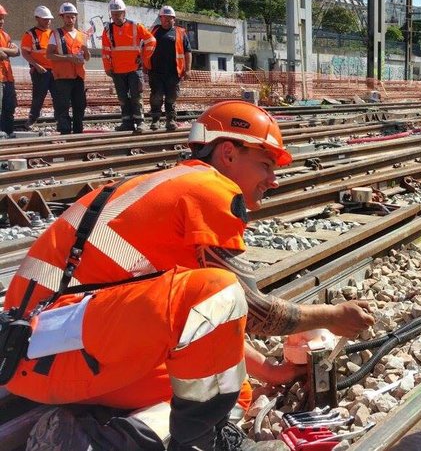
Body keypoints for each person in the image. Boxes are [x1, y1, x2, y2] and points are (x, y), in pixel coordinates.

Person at [4, 101, 375, 450]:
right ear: (228, 153)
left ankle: (137, 429)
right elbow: (251, 310)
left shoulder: (169, 187)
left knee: (230, 387)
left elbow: (200, 319)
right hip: (61, 352)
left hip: (40, 353)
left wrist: (270, 372)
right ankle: (188, 442)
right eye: (266, 164)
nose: (273, 179)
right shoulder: (210, 189)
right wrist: (333, 317)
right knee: (219, 307)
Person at [102, 0, 156, 133]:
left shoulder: (135, 26)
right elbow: (105, 50)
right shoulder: (108, 29)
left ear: (124, 12)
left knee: (136, 97)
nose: (115, 17)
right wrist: (107, 67)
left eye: (118, 13)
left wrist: (143, 58)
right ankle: (127, 122)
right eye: (113, 14)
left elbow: (151, 40)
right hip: (117, 70)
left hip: (134, 70)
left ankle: (140, 122)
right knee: (122, 98)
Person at [47, 3, 90, 135]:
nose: (70, 19)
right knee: (63, 105)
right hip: (62, 76)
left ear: (75, 18)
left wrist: (86, 51)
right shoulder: (56, 34)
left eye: (72, 17)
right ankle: (65, 130)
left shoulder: (82, 35)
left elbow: (87, 57)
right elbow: (49, 55)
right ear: (62, 17)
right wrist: (69, 58)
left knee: (80, 105)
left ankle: (78, 130)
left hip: (78, 76)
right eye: (67, 17)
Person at [148, 5, 191, 132]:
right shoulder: (153, 31)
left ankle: (170, 120)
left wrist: (187, 70)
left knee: (171, 97)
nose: (166, 20)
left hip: (173, 72)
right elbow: (143, 47)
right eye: (164, 18)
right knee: (156, 96)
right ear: (160, 18)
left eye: (169, 18)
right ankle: (155, 120)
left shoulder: (180, 32)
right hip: (155, 72)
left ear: (174, 19)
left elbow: (188, 52)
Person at [21, 6, 56, 130]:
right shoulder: (30, 34)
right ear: (37, 18)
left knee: (58, 96)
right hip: (40, 71)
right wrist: (36, 65)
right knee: (38, 97)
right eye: (45, 19)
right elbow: (25, 53)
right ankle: (32, 119)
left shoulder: (53, 33)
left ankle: (61, 120)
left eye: (49, 19)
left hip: (55, 71)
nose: (48, 21)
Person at [0, 4, 20, 138]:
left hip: (8, 78)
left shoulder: (5, 35)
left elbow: (17, 52)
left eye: (2, 18)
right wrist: (9, 51)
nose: (1, 21)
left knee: (9, 107)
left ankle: (8, 132)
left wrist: (3, 50)